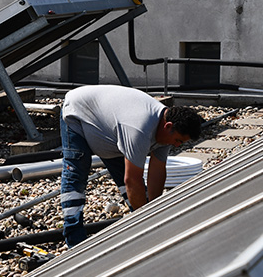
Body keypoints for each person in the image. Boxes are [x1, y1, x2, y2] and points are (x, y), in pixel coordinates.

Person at [59, 85, 204, 248]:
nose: (177, 146)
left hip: (109, 128)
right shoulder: (139, 129)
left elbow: (157, 172)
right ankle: (74, 238)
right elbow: (132, 180)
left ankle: (140, 224)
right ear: (168, 126)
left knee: (131, 185)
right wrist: (145, 223)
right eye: (178, 141)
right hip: (79, 111)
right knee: (76, 173)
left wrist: (153, 213)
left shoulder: (165, 128)